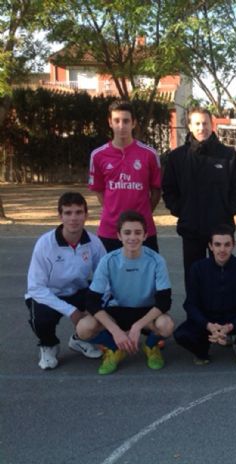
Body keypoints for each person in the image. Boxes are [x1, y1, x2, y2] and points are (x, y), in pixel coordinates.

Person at [77, 210, 175, 375]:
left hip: (146, 312)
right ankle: (114, 348)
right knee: (83, 328)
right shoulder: (108, 260)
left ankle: (151, 346)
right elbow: (92, 301)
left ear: (145, 235)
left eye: (138, 232)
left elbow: (164, 302)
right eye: (127, 232)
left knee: (166, 325)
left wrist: (137, 326)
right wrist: (116, 331)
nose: (132, 237)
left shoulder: (156, 261)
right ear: (119, 236)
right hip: (117, 311)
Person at [162, 107, 236, 287]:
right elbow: (169, 189)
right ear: (190, 126)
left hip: (221, 228)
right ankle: (195, 315)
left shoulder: (228, 155)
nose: (202, 128)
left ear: (212, 125)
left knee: (223, 276)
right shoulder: (177, 157)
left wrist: (227, 210)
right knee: (194, 275)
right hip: (191, 227)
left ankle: (225, 313)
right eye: (197, 124)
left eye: (205, 123)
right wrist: (182, 210)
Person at [25, 192, 106, 370]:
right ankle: (49, 345)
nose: (73, 218)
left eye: (78, 212)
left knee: (106, 307)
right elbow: (35, 287)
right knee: (41, 320)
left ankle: (79, 339)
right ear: (60, 216)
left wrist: (98, 305)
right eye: (68, 213)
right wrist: (72, 312)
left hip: (77, 291)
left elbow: (104, 277)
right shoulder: (45, 244)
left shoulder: (94, 242)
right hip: (48, 293)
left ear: (86, 215)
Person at [173, 224, 236, 365]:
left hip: (235, 320)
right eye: (217, 245)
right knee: (181, 334)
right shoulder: (198, 268)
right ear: (210, 246)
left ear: (233, 245)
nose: (222, 249)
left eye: (227, 245)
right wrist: (208, 326)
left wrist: (231, 326)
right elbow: (191, 304)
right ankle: (203, 350)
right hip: (209, 321)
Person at [88, 100, 162, 252]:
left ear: (133, 123)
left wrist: (144, 213)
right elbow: (99, 190)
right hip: (110, 230)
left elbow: (156, 190)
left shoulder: (149, 154)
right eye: (116, 121)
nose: (121, 126)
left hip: (142, 230)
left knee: (147, 274)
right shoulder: (98, 155)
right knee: (109, 275)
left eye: (126, 121)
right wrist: (112, 210)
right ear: (110, 122)